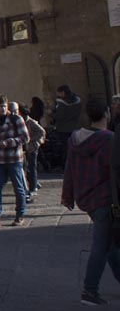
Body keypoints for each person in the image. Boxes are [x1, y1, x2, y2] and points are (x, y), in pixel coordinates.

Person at [62, 98, 117, 306]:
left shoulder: (76, 139)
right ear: (106, 115)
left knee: (110, 243)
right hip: (106, 199)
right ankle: (89, 290)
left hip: (87, 198)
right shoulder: (110, 139)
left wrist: (68, 195)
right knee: (102, 245)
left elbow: (70, 169)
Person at [0, 95, 29, 228]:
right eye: (0, 106)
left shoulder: (16, 119)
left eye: (5, 106)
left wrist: (10, 142)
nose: (3, 108)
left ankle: (20, 215)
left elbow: (25, 137)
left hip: (13, 159)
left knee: (19, 188)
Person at [21, 105, 46, 199]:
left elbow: (42, 132)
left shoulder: (31, 122)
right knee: (26, 168)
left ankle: (33, 187)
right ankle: (33, 184)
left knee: (32, 167)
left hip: (32, 148)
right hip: (26, 148)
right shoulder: (23, 122)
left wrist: (31, 139)